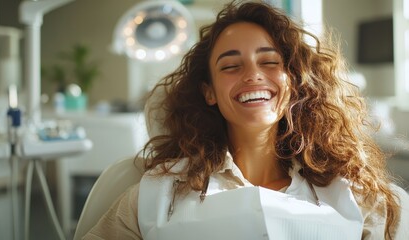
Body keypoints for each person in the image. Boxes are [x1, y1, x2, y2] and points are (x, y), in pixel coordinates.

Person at [84, 1, 409, 239]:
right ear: (209, 92)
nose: (253, 75)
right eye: (230, 66)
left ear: (293, 82)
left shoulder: (357, 195)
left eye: (269, 62)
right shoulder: (158, 193)